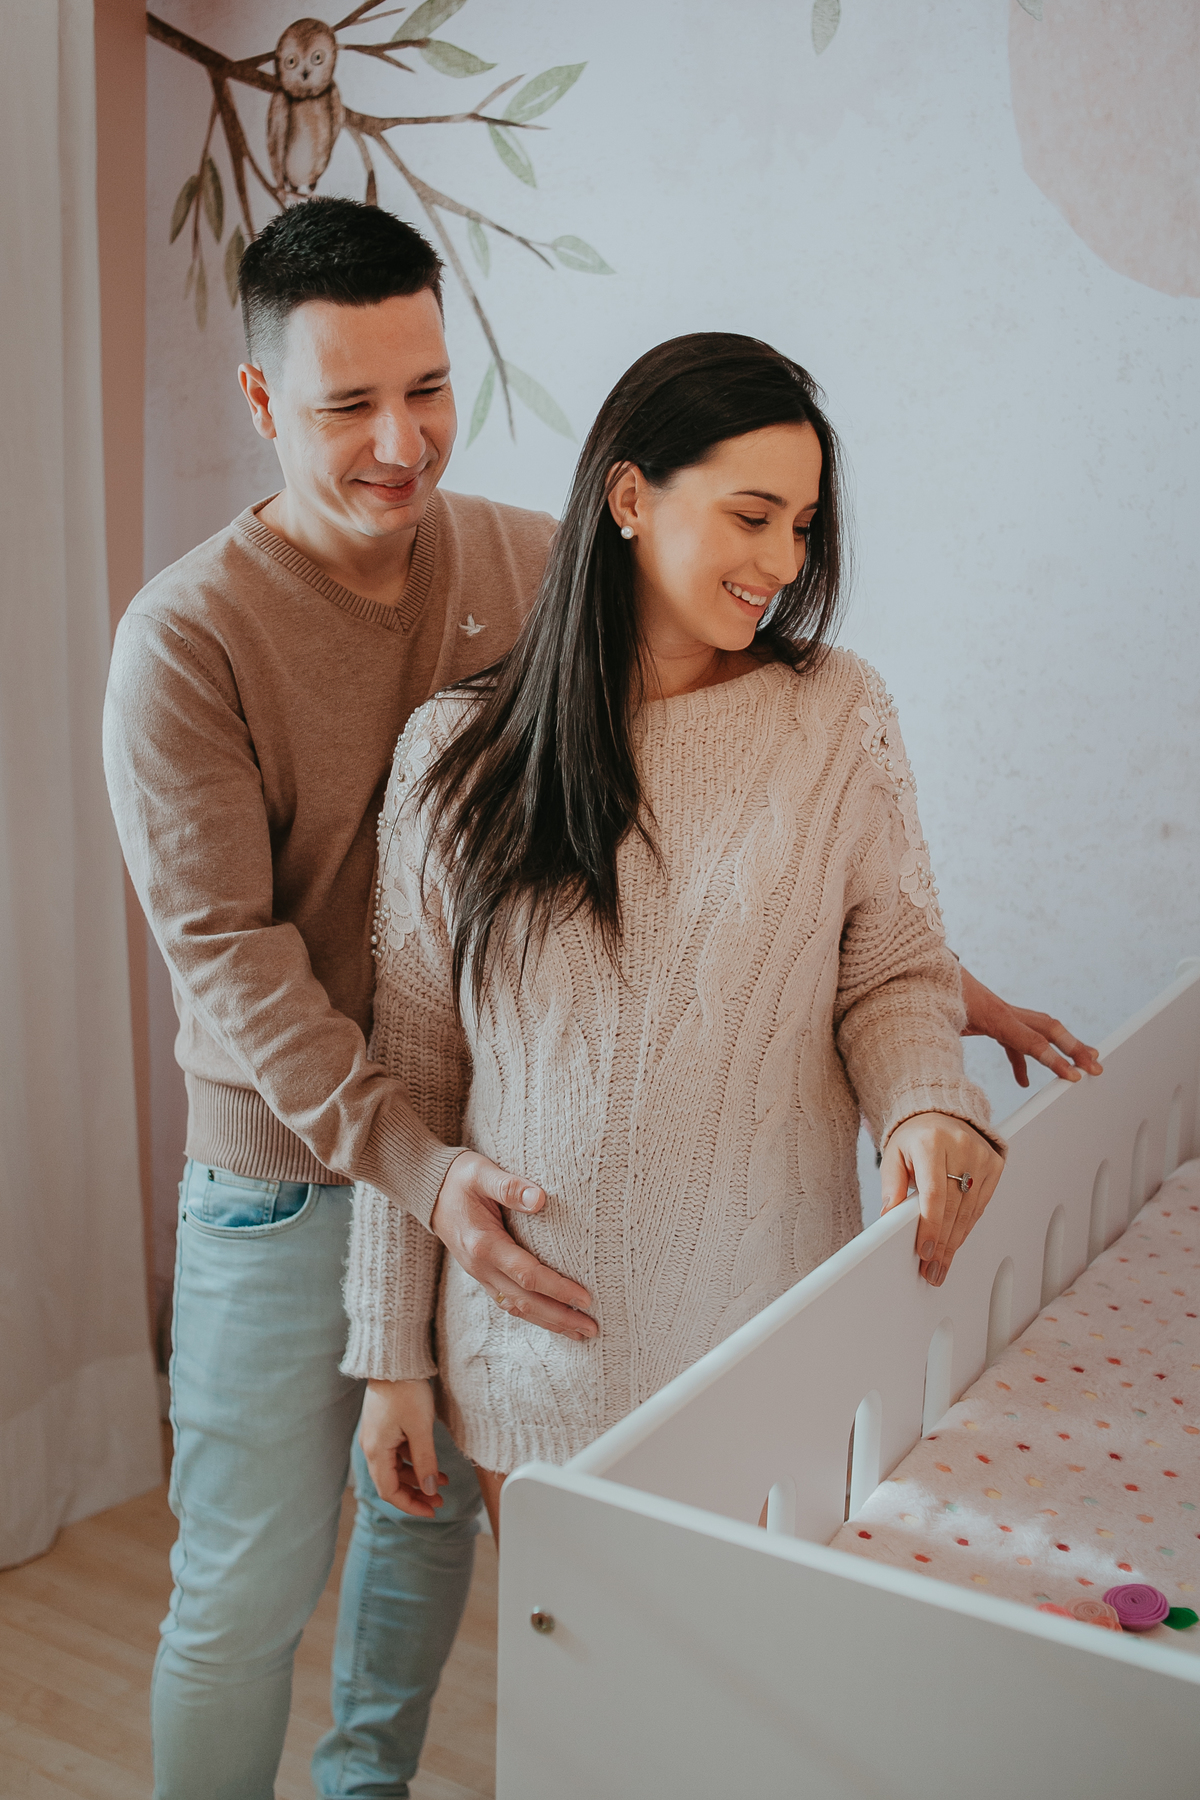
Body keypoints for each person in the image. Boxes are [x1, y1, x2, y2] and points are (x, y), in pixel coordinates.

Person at [103, 198, 1097, 1795]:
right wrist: (409, 1276)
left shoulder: (544, 565)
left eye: (425, 389)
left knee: (426, 1567)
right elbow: (278, 989)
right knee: (246, 1592)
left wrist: (926, 1034)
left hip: (553, 1219)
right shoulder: (194, 645)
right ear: (262, 400)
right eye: (349, 404)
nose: (399, 442)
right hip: (299, 1170)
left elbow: (822, 913)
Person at [345, 333, 1031, 1541]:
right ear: (628, 496)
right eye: (752, 515)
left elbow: (890, 968)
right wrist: (392, 1357)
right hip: (535, 1366)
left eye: (804, 526)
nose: (783, 561)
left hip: (773, 1344)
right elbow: (412, 1080)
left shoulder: (837, 715)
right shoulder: (455, 760)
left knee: (761, 1707)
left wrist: (927, 1101)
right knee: (593, 1719)